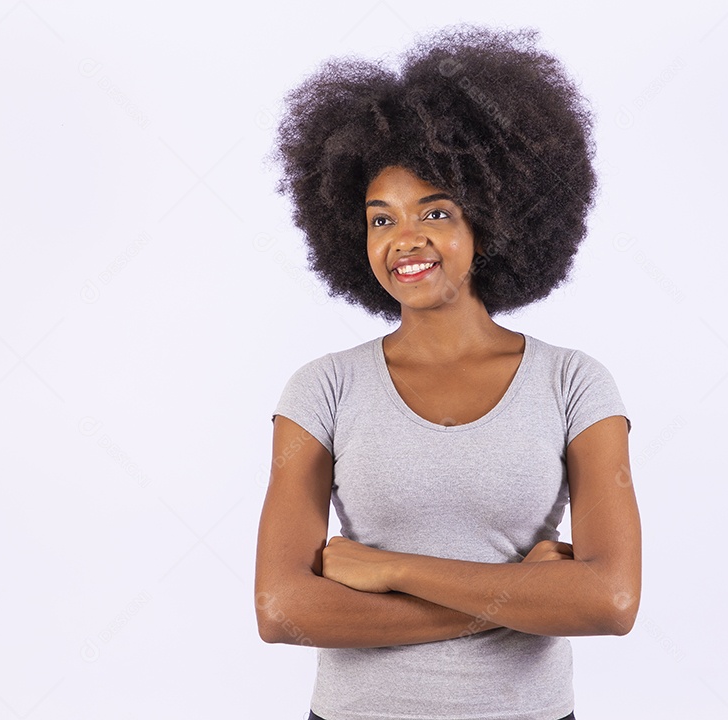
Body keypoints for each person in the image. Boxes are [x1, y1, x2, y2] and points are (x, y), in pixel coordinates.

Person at [254, 23, 641, 720]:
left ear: (488, 224)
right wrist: (513, 601)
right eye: (381, 220)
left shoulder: (575, 384)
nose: (405, 240)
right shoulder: (322, 389)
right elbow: (283, 609)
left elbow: (610, 599)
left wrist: (391, 571)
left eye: (435, 211)